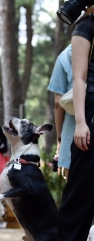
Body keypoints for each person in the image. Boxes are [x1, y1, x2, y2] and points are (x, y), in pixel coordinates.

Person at [43, 0, 94, 241]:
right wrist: (81, 123)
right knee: (78, 189)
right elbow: (77, 79)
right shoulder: (85, 27)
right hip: (90, 112)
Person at [47, 45, 75, 181]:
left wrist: (60, 139)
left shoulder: (65, 56)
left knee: (77, 195)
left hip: (74, 137)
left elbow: (58, 103)